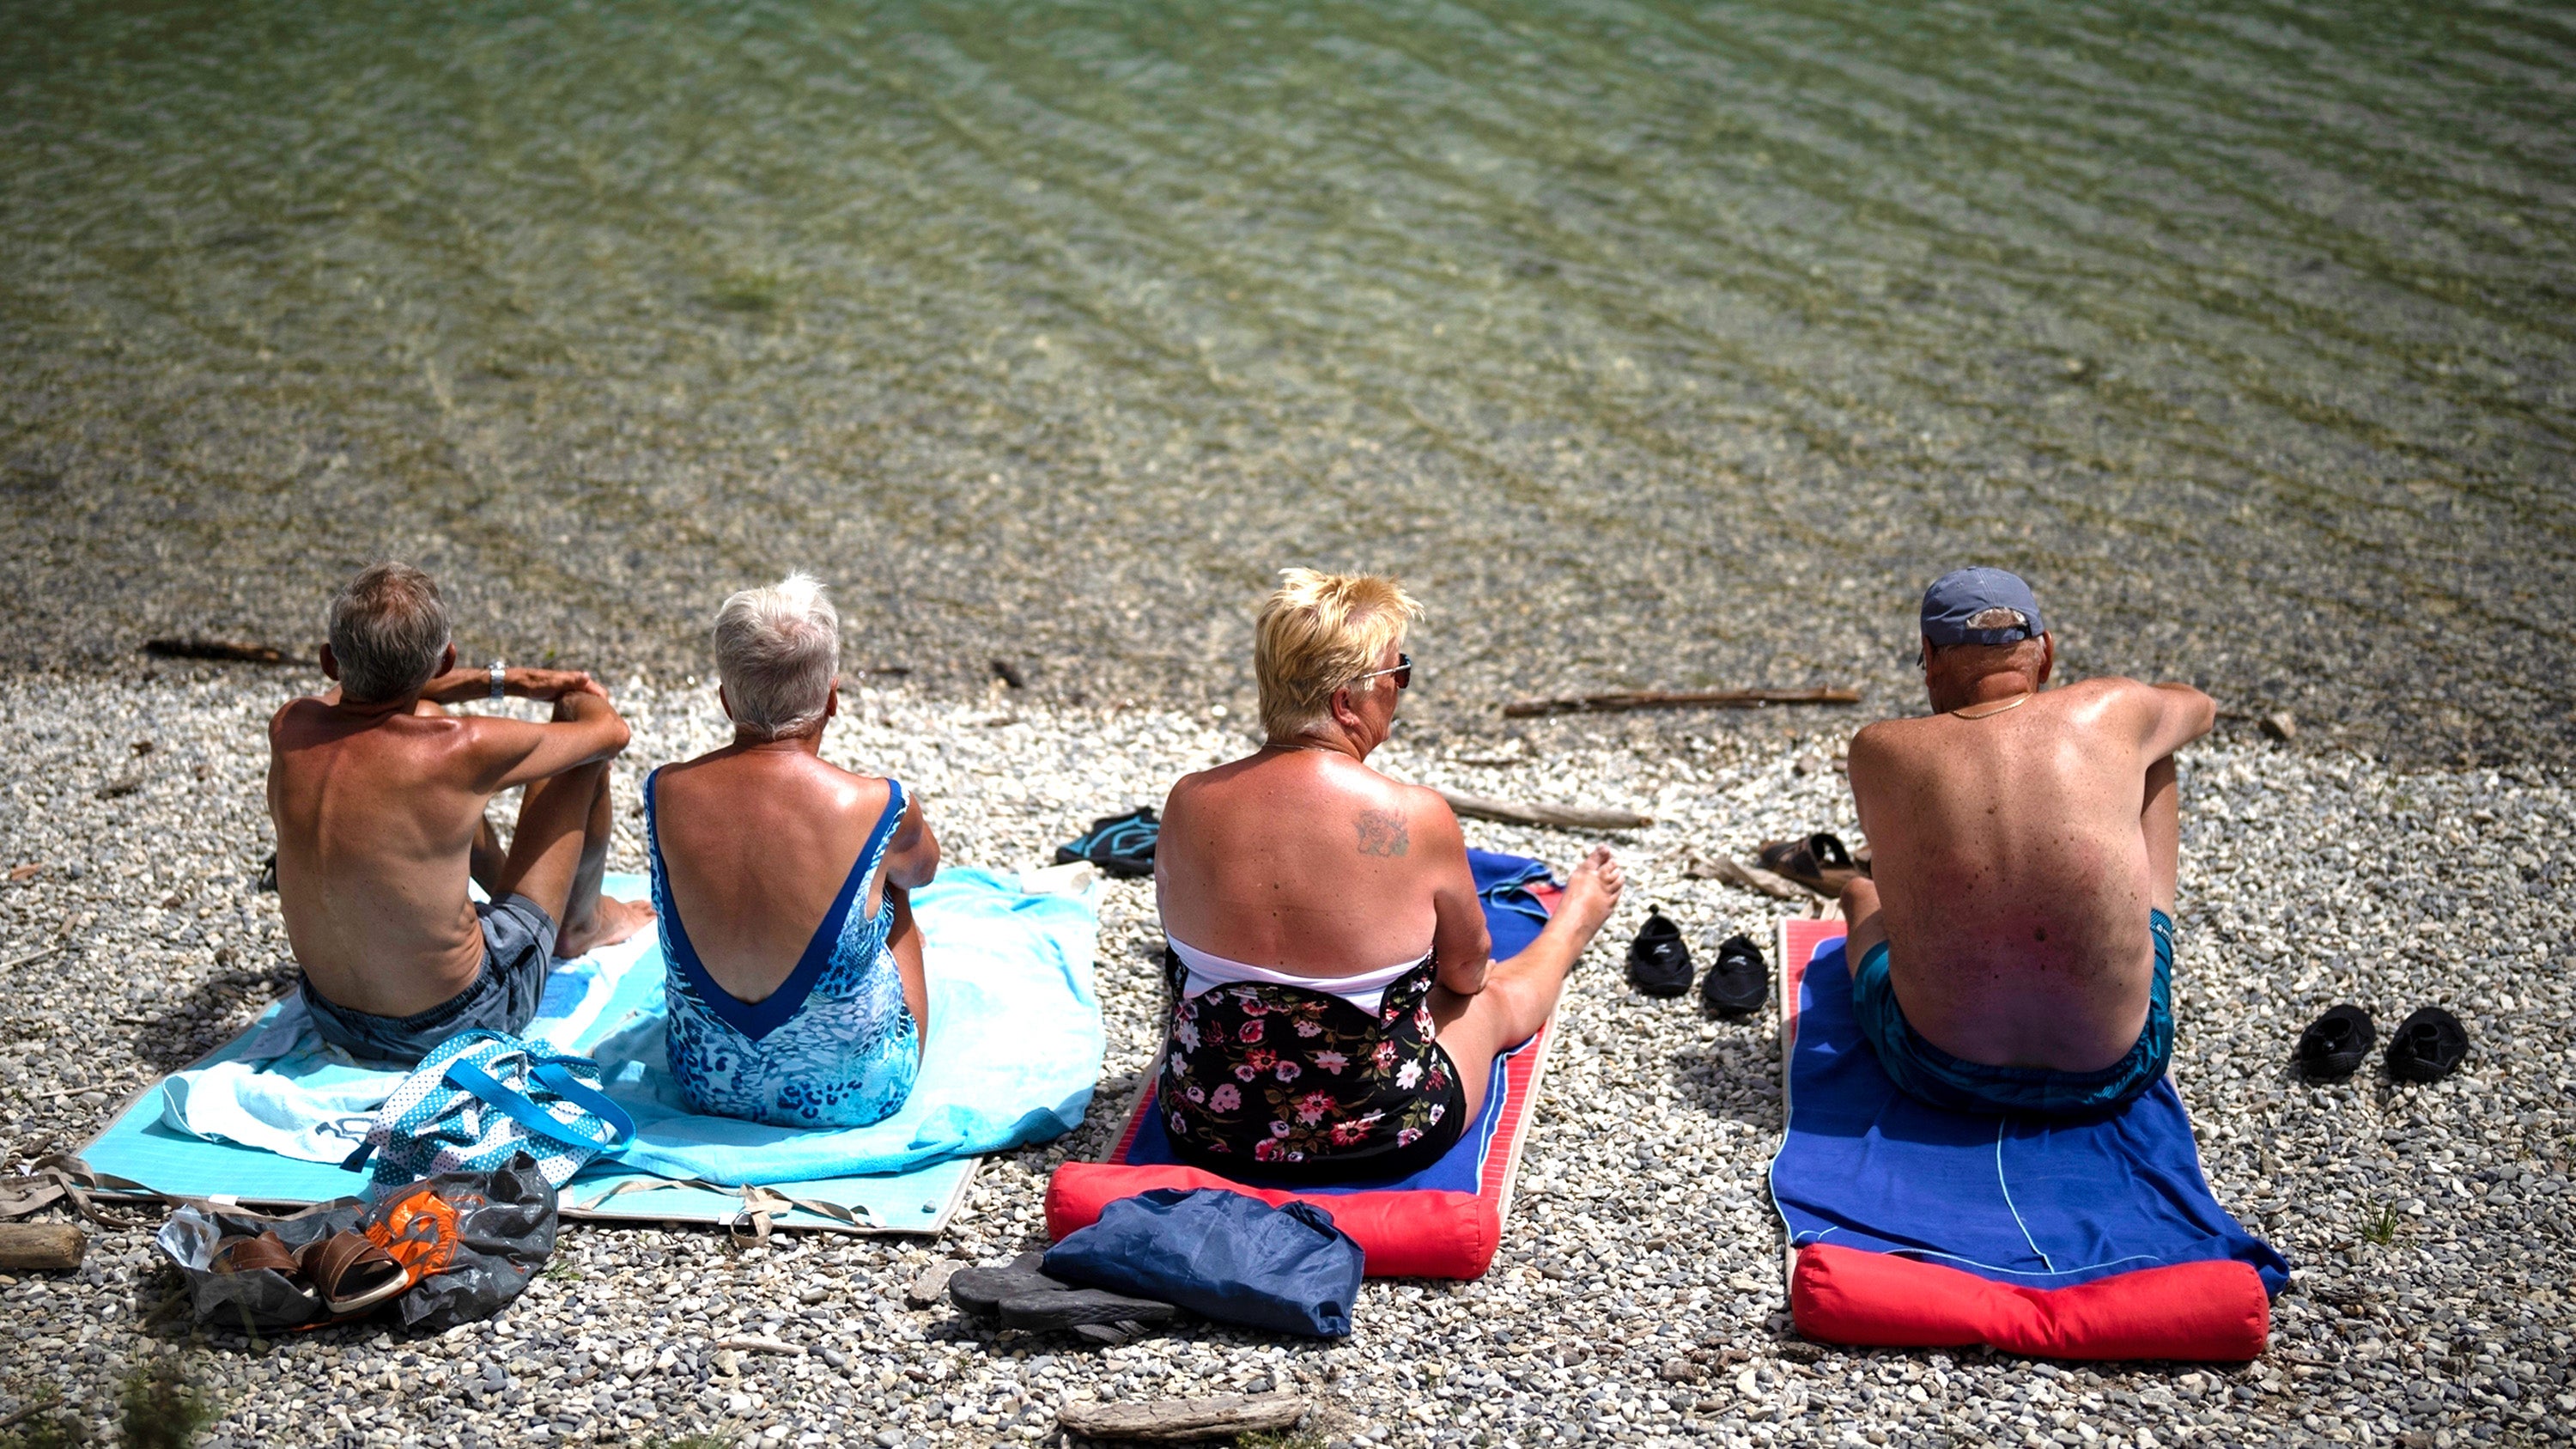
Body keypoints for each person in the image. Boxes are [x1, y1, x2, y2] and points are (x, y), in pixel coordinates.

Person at [1152, 569, 1624, 1181]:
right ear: (1346, 701)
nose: (1401, 688)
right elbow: (1466, 970)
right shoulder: (1412, 816)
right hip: (1380, 1133)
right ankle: (1575, 920)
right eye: (1397, 673)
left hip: (1206, 1127)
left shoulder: (1189, 800)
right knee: (1487, 997)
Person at [1839, 567, 2216, 1117]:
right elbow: (2200, 707)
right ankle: (2151, 929)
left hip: (1938, 1071)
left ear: (1931, 656)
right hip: (2117, 1067)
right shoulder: (2111, 707)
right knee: (2154, 746)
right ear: (2046, 652)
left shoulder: (1879, 749)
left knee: (1858, 895)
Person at [268, 563, 654, 1065]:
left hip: (333, 1016)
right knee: (575, 740)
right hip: (459, 1022)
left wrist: (509, 681)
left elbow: (374, 702)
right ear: (446, 660)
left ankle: (520, 899)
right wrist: (573, 694)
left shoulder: (290, 726)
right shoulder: (457, 748)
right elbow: (611, 734)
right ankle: (583, 925)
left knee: (423, 736)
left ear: (329, 661)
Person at [642, 575, 939, 1128]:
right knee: (891, 883)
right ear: (831, 697)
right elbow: (923, 873)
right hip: (858, 1095)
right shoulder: (881, 803)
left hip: (706, 1084)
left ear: (726, 701)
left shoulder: (665, 791)